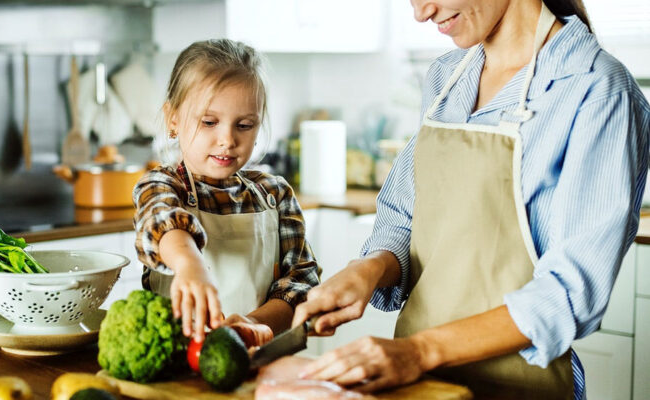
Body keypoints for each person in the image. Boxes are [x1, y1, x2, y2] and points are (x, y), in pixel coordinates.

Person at [291, 0, 650, 398]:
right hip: (424, 387)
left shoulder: (596, 89)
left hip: (517, 388)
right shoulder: (447, 77)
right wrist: (369, 269)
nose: (421, 12)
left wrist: (419, 351)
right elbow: (406, 221)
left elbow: (568, 295)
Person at [133, 39, 319, 346]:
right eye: (209, 122)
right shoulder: (163, 185)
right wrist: (190, 265)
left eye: (244, 125)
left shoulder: (276, 195)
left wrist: (252, 326)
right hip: (179, 365)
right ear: (173, 120)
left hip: (260, 360)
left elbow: (300, 286)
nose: (227, 139)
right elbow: (162, 220)